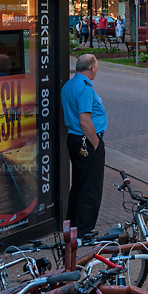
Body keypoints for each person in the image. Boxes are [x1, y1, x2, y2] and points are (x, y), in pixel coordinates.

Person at [62, 54, 107, 235]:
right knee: (91, 186)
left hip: (74, 138)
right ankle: (85, 229)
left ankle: (73, 224)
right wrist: (96, 143)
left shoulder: (69, 85)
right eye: (96, 66)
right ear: (92, 68)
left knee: (79, 183)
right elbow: (85, 121)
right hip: (86, 140)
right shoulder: (85, 88)